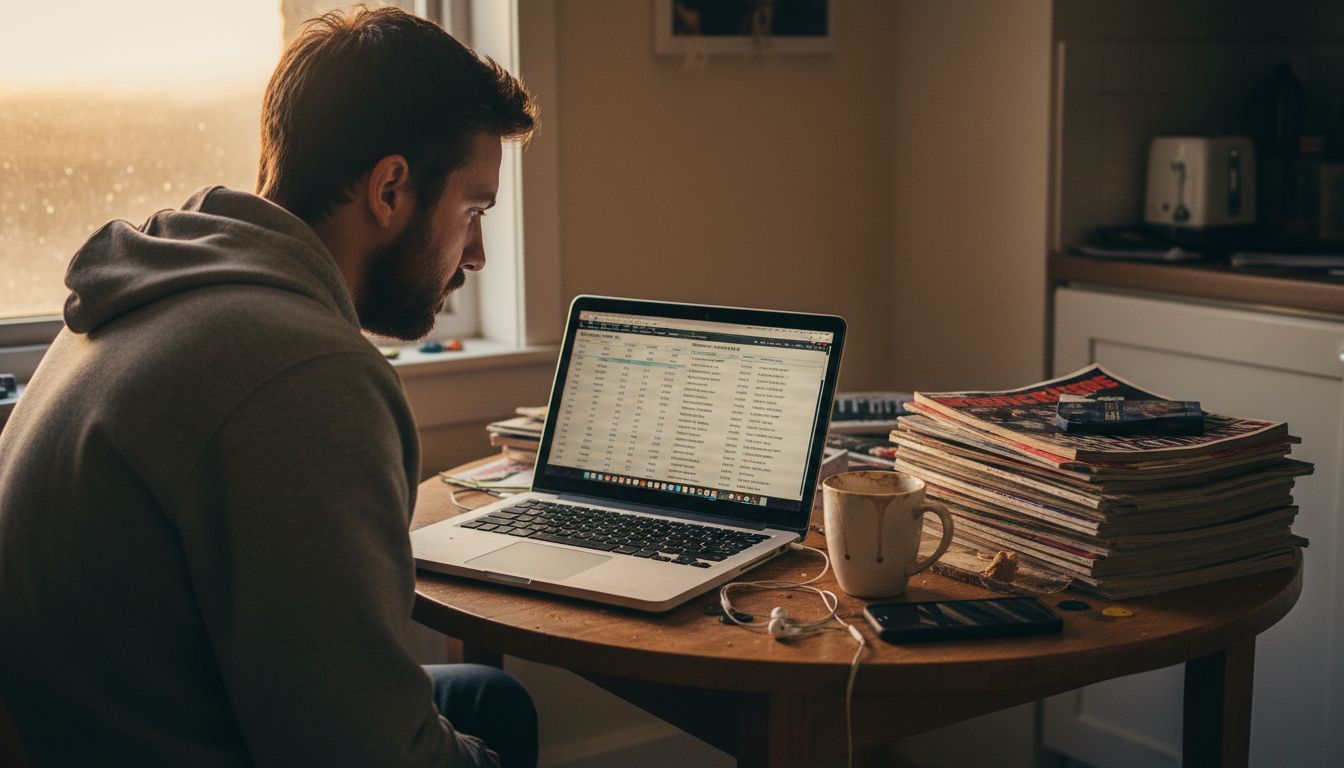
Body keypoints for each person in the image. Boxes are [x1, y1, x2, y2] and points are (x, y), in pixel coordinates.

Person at [0, 8, 537, 767]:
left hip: (107, 717)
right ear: (390, 190)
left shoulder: (148, 291)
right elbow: (356, 753)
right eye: (473, 210)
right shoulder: (304, 375)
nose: (477, 254)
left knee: (490, 701)